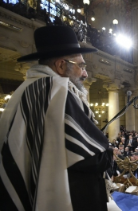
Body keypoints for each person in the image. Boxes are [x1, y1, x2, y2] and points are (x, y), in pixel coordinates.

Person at [0, 26, 113, 211]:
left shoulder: (24, 90)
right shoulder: (57, 91)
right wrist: (109, 152)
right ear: (61, 65)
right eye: (81, 66)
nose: (85, 73)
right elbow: (91, 158)